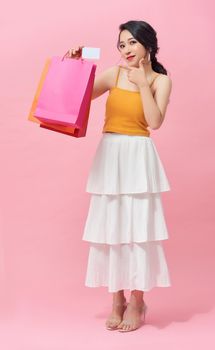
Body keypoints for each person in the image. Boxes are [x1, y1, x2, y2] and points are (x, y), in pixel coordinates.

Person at [67, 20, 172, 332]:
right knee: (111, 227)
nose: (126, 50)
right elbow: (81, 97)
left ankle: (137, 300)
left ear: (148, 45)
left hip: (139, 156)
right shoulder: (114, 74)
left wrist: (142, 83)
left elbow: (155, 122)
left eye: (131, 43)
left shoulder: (160, 81)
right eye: (121, 44)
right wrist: (75, 67)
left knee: (139, 229)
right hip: (110, 155)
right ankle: (117, 299)